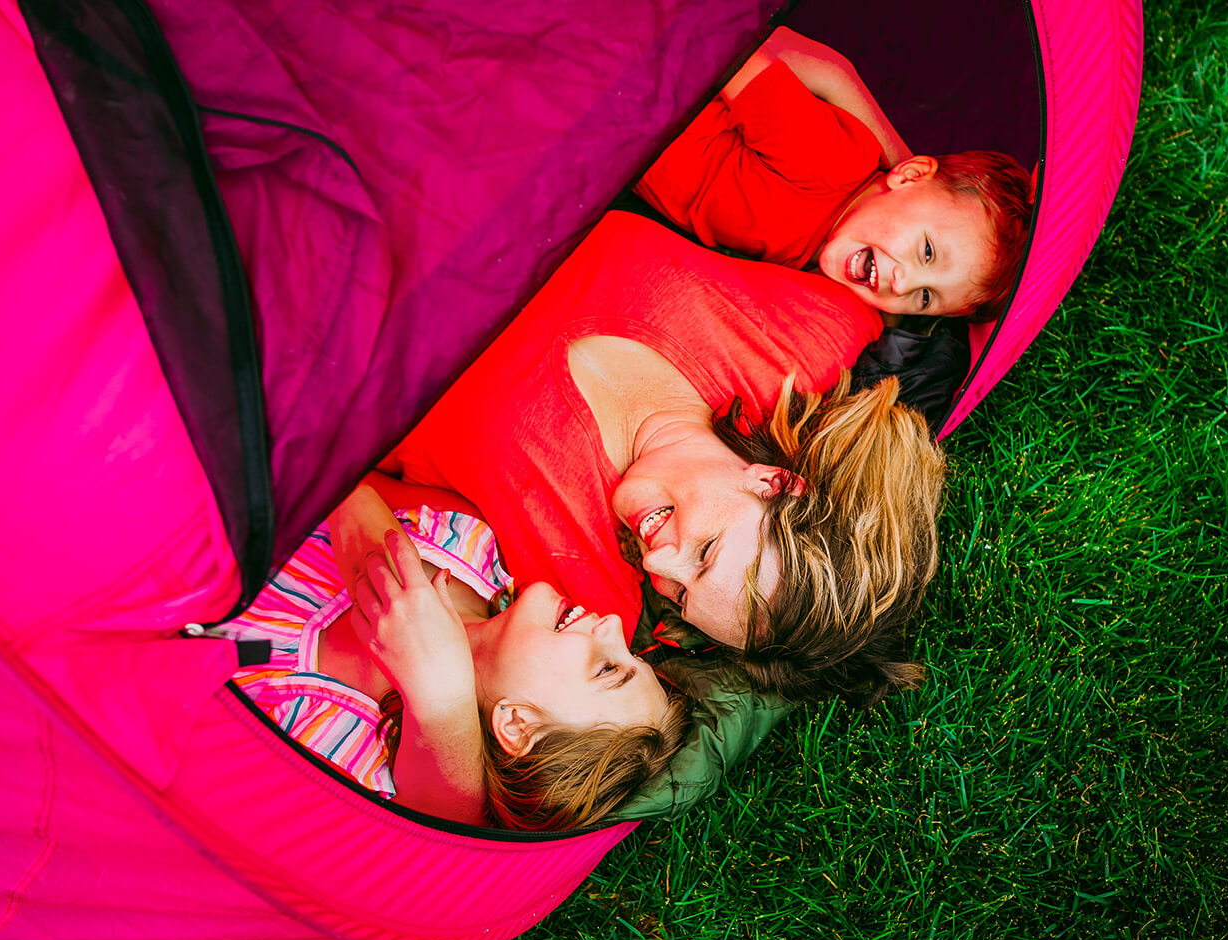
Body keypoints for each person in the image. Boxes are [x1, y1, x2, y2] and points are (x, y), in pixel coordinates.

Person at [380, 210, 946, 706]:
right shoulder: (803, 344)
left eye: (678, 594)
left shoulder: (581, 597)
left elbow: (374, 501)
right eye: (703, 553)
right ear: (775, 482)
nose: (657, 566)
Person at [215, 483, 692, 830]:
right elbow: (344, 468)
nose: (611, 625)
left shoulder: (347, 762)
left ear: (518, 725)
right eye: (628, 651)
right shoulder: (464, 539)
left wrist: (441, 699)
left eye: (607, 668)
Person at [634, 27, 1032, 322]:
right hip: (626, 83)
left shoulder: (826, 255)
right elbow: (717, 47)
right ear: (908, 176)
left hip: (614, 152)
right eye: (927, 251)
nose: (903, 283)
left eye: (925, 298)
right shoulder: (828, 162)